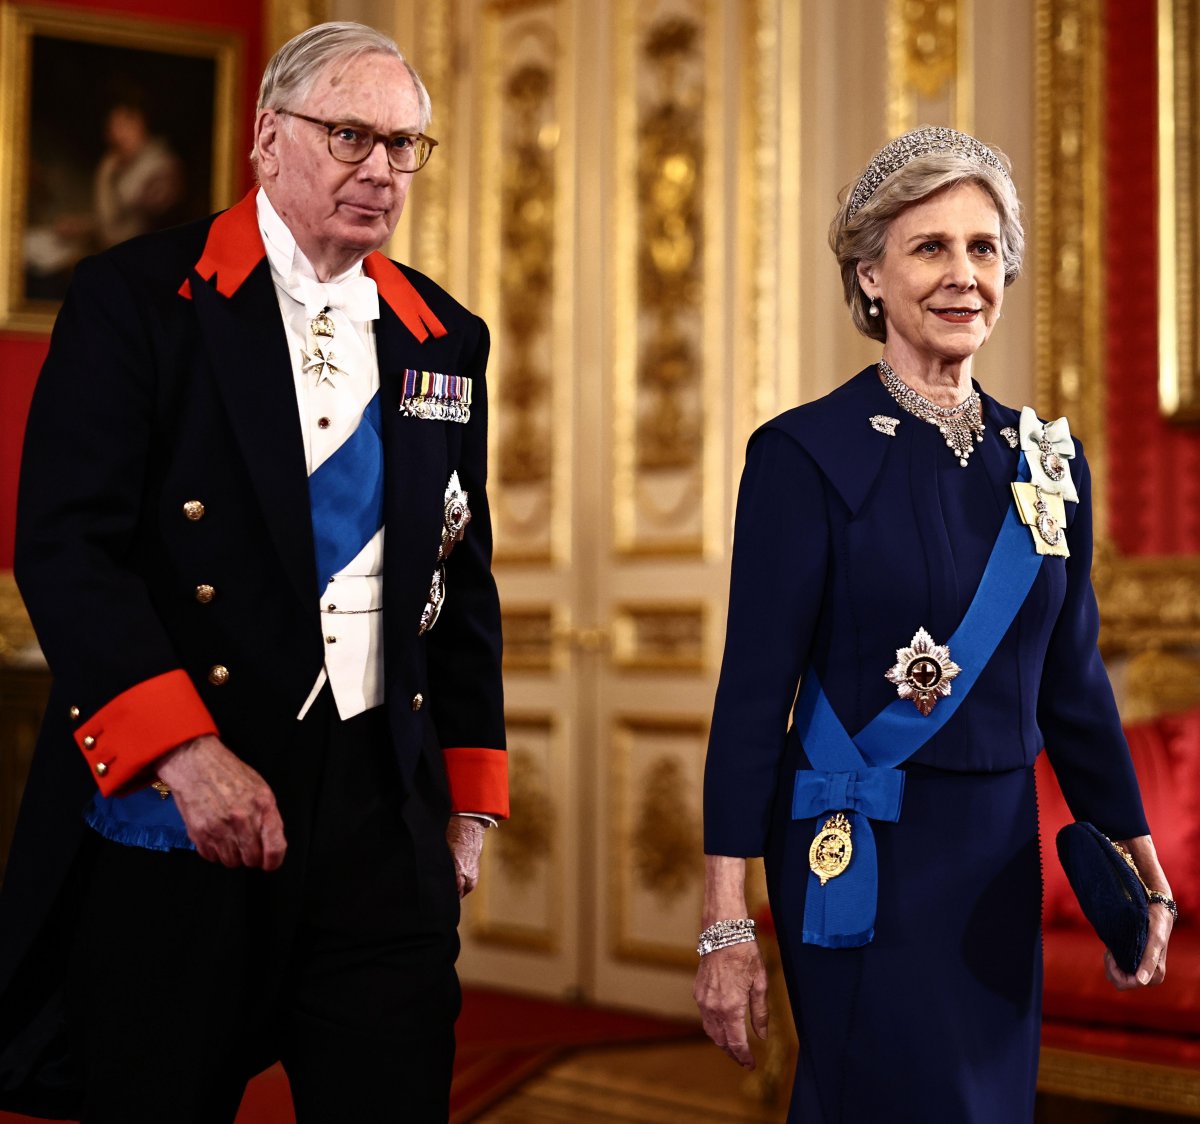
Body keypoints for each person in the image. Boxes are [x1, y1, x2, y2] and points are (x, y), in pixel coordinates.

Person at [0, 21, 507, 1123]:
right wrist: (187, 755)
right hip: (195, 799)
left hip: (382, 811)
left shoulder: (444, 335)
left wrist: (465, 805)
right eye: (351, 136)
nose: (382, 168)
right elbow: (66, 546)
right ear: (268, 139)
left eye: (406, 145)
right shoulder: (138, 299)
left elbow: (459, 577)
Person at [693, 126, 1176, 1122]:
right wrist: (724, 918)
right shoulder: (802, 455)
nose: (965, 274)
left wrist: (1136, 848)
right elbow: (752, 699)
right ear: (870, 273)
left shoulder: (1048, 462)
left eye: (984, 247)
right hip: (860, 846)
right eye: (930, 247)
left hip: (998, 856)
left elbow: (1074, 680)